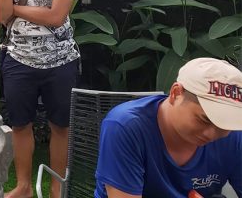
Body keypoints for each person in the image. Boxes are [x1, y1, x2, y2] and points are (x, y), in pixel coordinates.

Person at [0, 0, 80, 198]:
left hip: (61, 60)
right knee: (20, 125)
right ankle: (23, 186)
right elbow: (0, 15)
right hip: (18, 59)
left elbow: (56, 16)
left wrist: (15, 8)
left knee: (61, 126)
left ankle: (57, 186)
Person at [95, 57, 242, 198]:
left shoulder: (235, 136)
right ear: (176, 93)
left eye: (224, 124)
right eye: (204, 120)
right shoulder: (126, 127)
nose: (211, 133)